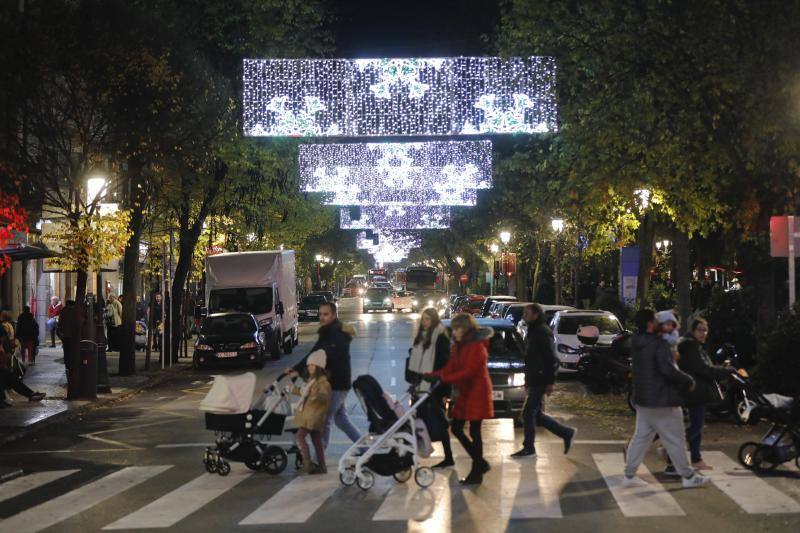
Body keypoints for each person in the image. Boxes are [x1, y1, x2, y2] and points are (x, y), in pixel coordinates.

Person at [622, 309, 710, 489]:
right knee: (676, 438)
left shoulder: (637, 342)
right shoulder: (658, 344)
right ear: (649, 323)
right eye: (655, 319)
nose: (658, 321)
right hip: (662, 399)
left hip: (643, 399)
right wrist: (688, 380)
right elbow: (668, 369)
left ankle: (630, 475)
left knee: (641, 437)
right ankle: (688, 475)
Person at [426, 313, 493, 485]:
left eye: (457, 329)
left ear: (465, 329)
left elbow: (469, 372)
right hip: (466, 392)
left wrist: (443, 379)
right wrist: (432, 376)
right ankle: (480, 463)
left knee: (474, 432)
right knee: (456, 428)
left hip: (477, 392)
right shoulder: (459, 346)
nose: (453, 332)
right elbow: (451, 367)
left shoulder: (476, 346)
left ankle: (477, 470)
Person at [290, 301, 360, 449]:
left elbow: (327, 355)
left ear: (334, 315)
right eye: (320, 314)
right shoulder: (326, 332)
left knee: (324, 419)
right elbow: (313, 354)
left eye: (326, 314)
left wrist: (310, 370)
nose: (322, 317)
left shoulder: (339, 333)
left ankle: (318, 457)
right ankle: (366, 448)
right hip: (332, 383)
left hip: (337, 384)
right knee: (341, 420)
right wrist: (297, 368)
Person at [511, 304, 577, 458]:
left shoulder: (541, 331)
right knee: (536, 414)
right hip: (536, 378)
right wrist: (528, 381)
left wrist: (550, 381)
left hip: (541, 378)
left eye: (527, 313)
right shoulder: (534, 331)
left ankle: (529, 447)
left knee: (528, 413)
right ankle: (566, 433)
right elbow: (531, 358)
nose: (524, 316)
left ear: (535, 314)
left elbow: (551, 359)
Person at [671, 318, 736, 471]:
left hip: (698, 391)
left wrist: (721, 368)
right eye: (700, 330)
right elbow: (702, 369)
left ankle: (696, 458)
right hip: (693, 391)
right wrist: (725, 371)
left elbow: (706, 367)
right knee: (696, 427)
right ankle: (671, 450)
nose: (703, 333)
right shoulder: (690, 346)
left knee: (697, 426)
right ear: (693, 330)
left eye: (705, 330)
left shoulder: (695, 346)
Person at [406, 307, 453, 468]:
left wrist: (445, 390)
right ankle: (416, 454)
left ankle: (448, 456)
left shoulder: (440, 337)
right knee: (420, 421)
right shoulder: (421, 338)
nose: (425, 322)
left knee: (438, 422)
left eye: (428, 319)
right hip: (420, 387)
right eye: (423, 319)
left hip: (434, 388)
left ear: (434, 321)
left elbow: (445, 365)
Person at [293, 349, 332, 474]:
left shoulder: (322, 382)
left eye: (313, 365)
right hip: (312, 415)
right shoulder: (312, 381)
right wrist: (293, 389)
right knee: (316, 439)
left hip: (313, 416)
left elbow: (323, 396)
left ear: (319, 367)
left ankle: (307, 463)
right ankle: (322, 465)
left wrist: (316, 396)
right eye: (309, 365)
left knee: (300, 436)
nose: (310, 367)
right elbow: (305, 392)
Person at [57, 300, 83, 400]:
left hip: (66, 337)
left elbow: (59, 326)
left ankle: (69, 373)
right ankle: (73, 376)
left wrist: (62, 337)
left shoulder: (63, 312)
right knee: (74, 357)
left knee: (67, 357)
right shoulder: (76, 312)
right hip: (74, 338)